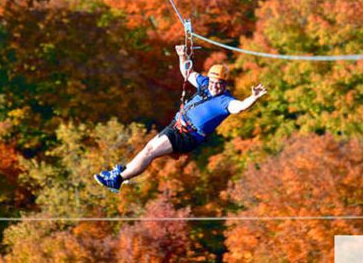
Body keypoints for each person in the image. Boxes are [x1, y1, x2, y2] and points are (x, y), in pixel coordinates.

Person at [94, 45, 268, 192]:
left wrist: (253, 98)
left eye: (219, 84)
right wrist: (182, 55)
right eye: (214, 82)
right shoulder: (205, 84)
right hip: (177, 125)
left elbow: (240, 107)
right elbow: (187, 72)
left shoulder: (225, 101)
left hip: (188, 135)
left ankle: (117, 179)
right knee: (148, 148)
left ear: (225, 84)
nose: (215, 86)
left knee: (150, 153)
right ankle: (122, 174)